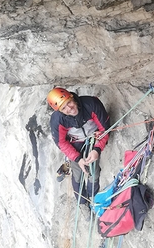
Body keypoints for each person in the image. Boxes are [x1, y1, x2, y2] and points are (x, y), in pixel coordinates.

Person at [47, 87, 110, 216]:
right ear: (60, 111)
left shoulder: (91, 104)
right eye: (63, 108)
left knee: (94, 170)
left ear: (71, 97)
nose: (69, 109)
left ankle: (93, 196)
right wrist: (77, 159)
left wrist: (97, 149)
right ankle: (82, 203)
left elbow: (105, 128)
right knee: (78, 173)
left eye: (68, 103)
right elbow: (61, 143)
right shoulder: (58, 120)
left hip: (94, 137)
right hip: (75, 143)